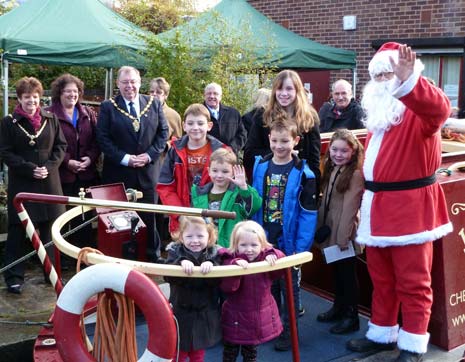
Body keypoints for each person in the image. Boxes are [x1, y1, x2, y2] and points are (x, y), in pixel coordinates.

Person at [346, 43, 452, 362]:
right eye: (377, 74)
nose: (382, 80)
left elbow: (439, 110)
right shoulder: (380, 118)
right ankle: (383, 333)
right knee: (382, 280)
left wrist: (410, 82)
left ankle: (412, 345)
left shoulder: (419, 112)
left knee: (414, 282)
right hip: (376, 209)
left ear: (405, 75)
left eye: (388, 73)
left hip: (410, 211)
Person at [251, 120, 318, 351]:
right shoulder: (260, 166)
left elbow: (308, 214)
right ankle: (275, 325)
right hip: (265, 239)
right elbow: (256, 202)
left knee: (290, 288)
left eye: (285, 141)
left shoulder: (304, 174)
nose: (279, 146)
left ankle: (290, 332)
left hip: (289, 243)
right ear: (269, 138)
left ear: (296, 141)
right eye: (275, 140)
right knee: (270, 287)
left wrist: (300, 249)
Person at [0, 77, 67, 294]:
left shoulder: (52, 119)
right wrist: (29, 168)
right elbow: (5, 152)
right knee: (18, 231)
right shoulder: (8, 123)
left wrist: (49, 166)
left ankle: (52, 274)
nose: (32, 101)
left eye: (35, 96)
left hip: (49, 182)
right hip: (23, 183)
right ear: (19, 98)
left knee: (50, 230)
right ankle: (13, 277)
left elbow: (60, 146)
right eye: (27, 97)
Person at [96, 66, 169, 261]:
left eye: (133, 82)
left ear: (139, 83)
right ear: (118, 84)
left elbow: (163, 134)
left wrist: (149, 155)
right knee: (123, 220)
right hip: (120, 173)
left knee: (149, 216)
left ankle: (152, 256)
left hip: (148, 172)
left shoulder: (153, 104)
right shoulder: (108, 107)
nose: (130, 86)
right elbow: (102, 139)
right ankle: (126, 258)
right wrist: (126, 158)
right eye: (125, 82)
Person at [315, 129, 364, 335]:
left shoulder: (354, 175)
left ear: (353, 152)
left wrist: (343, 238)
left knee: (347, 274)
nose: (338, 154)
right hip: (331, 229)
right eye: (334, 149)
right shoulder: (332, 168)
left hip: (344, 233)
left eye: (344, 151)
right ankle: (339, 307)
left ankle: (351, 316)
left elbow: (350, 209)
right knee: (336, 271)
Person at [46, 74, 100, 249]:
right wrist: (67, 162)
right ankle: (63, 255)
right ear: (59, 93)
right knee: (62, 217)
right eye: (67, 91)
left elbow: (97, 141)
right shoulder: (49, 114)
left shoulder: (88, 113)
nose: (72, 95)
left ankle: (83, 253)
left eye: (75, 91)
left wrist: (90, 158)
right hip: (62, 176)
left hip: (85, 175)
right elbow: (48, 145)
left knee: (83, 217)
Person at [156, 103, 227, 235]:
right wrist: (181, 214)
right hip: (182, 218)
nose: (195, 127)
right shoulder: (175, 151)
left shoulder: (222, 151)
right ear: (184, 126)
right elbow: (165, 186)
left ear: (209, 126)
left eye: (200, 123)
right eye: (191, 123)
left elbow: (230, 187)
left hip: (213, 218)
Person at [220, 220, 285, 362]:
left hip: (256, 316)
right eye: (243, 245)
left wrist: (272, 254)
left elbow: (280, 269)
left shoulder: (264, 259)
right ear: (236, 245)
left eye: (254, 245)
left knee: (251, 353)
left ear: (262, 245)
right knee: (230, 352)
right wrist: (235, 267)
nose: (249, 249)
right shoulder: (229, 260)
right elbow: (228, 287)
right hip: (235, 317)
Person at [243, 70, 321, 185]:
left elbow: (314, 158)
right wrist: (281, 154)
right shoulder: (263, 115)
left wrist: (313, 188)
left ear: (297, 90)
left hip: (298, 182)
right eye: (280, 89)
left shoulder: (309, 117)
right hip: (268, 180)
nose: (284, 93)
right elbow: (249, 153)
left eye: (289, 89)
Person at [163, 216, 221, 362]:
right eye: (189, 236)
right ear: (181, 237)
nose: (195, 240)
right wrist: (180, 263)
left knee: (198, 351)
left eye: (200, 236)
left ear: (209, 237)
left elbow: (219, 281)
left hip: (204, 311)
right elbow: (168, 276)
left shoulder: (214, 253)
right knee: (179, 349)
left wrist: (211, 265)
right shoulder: (175, 252)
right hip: (181, 309)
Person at [191, 148, 262, 247]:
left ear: (233, 173)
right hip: (206, 247)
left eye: (225, 172)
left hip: (230, 247)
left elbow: (254, 207)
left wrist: (244, 187)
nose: (219, 175)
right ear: (209, 171)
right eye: (215, 171)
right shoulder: (199, 194)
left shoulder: (238, 193)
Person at [203, 83, 246, 153]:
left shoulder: (233, 113)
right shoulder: (197, 113)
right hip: (206, 157)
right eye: (208, 93)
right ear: (204, 96)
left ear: (220, 97)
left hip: (229, 157)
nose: (212, 96)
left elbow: (242, 134)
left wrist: (231, 148)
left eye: (215, 94)